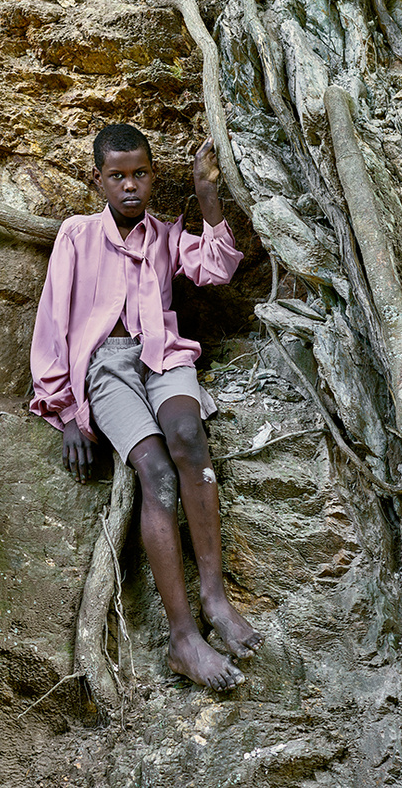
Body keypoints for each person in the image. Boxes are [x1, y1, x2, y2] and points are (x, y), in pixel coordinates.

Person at [30, 123, 264, 691]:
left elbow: (216, 269)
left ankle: (215, 597)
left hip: (163, 357)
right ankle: (183, 639)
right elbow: (53, 322)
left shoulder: (165, 234)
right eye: (118, 176)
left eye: (140, 174)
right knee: (156, 473)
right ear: (99, 180)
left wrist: (207, 197)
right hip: (106, 368)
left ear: (154, 176)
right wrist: (64, 413)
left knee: (188, 438)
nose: (130, 186)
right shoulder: (76, 235)